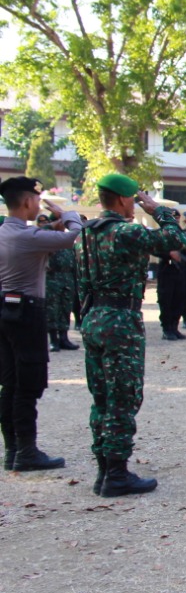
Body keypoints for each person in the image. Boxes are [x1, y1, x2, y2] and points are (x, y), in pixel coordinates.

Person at [79, 173, 182, 496]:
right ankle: (117, 474)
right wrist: (157, 210)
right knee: (123, 398)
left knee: (102, 398)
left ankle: (103, 470)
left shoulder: (84, 234)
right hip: (121, 320)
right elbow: (176, 240)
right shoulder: (126, 232)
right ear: (125, 200)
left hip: (93, 316)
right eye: (135, 199)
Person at [1, 177, 83, 473]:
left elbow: (36, 236)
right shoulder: (27, 237)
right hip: (28, 312)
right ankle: (27, 452)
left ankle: (12, 450)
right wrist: (66, 214)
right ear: (26, 202)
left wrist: (50, 226)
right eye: (36, 200)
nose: (38, 204)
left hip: (6, 309)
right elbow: (74, 234)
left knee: (9, 383)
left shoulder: (6, 233)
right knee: (28, 384)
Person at [39, 213, 79, 352]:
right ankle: (53, 340)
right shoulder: (48, 240)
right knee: (52, 310)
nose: (62, 226)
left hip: (67, 278)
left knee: (65, 309)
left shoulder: (68, 242)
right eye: (60, 223)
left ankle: (64, 338)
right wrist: (51, 226)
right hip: (52, 279)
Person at [154, 213, 186, 341]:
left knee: (178, 299)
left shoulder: (181, 234)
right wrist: (169, 254)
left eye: (177, 219)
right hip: (166, 271)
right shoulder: (162, 233)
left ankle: (175, 327)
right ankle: (166, 329)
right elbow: (154, 249)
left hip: (179, 271)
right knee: (166, 300)